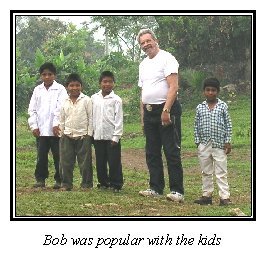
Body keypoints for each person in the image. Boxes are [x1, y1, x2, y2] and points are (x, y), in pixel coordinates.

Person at [137, 28, 184, 202]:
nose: (146, 45)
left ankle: (177, 191)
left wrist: (166, 110)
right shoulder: (143, 64)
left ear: (155, 40)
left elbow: (173, 87)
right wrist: (143, 117)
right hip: (149, 112)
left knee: (171, 151)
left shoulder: (167, 58)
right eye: (142, 43)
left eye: (148, 41)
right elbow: (143, 92)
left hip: (166, 110)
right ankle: (155, 187)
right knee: (152, 151)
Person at [28, 62, 68, 189]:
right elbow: (32, 109)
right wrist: (34, 126)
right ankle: (40, 179)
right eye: (44, 74)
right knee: (41, 156)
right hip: (41, 130)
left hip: (55, 131)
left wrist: (56, 124)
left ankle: (59, 179)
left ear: (54, 75)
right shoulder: (37, 90)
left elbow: (61, 108)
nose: (47, 77)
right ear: (40, 76)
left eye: (49, 74)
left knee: (58, 156)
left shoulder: (60, 89)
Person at [194, 77, 232, 206]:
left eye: (213, 90)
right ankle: (206, 196)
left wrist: (227, 141)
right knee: (206, 171)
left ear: (218, 91)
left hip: (219, 144)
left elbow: (228, 124)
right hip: (204, 144)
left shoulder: (222, 106)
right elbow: (196, 125)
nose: (210, 92)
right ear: (204, 91)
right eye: (208, 90)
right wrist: (198, 142)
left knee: (221, 171)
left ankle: (224, 197)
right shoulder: (200, 107)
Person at [57, 73, 93, 191]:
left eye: (77, 85)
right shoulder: (64, 101)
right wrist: (62, 133)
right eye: (71, 85)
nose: (74, 88)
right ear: (67, 87)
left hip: (83, 135)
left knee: (85, 162)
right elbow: (62, 118)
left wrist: (89, 134)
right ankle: (66, 184)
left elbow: (91, 118)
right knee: (66, 162)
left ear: (81, 87)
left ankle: (86, 184)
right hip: (67, 135)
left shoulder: (86, 100)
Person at [91, 71, 123, 192]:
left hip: (111, 136)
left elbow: (119, 119)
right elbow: (91, 117)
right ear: (100, 83)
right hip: (98, 135)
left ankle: (116, 183)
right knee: (100, 161)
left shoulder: (116, 100)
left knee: (114, 161)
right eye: (105, 82)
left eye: (110, 82)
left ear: (114, 84)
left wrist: (116, 136)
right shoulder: (94, 98)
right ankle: (103, 182)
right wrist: (91, 133)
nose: (107, 84)